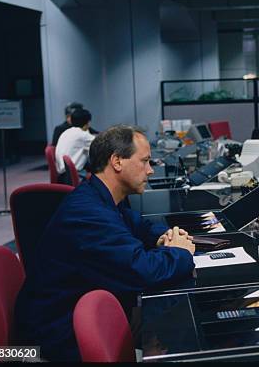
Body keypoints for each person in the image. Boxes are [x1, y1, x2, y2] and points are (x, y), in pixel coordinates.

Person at [15, 125, 196, 361]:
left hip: (82, 313)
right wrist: (180, 252)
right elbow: (143, 271)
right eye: (145, 161)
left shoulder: (101, 196)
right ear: (117, 161)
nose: (150, 171)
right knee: (182, 337)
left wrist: (164, 236)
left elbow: (141, 227)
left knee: (175, 322)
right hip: (61, 333)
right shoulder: (88, 214)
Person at [55, 108, 95, 177]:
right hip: (74, 175)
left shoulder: (66, 132)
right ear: (87, 123)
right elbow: (102, 145)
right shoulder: (83, 135)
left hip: (62, 175)